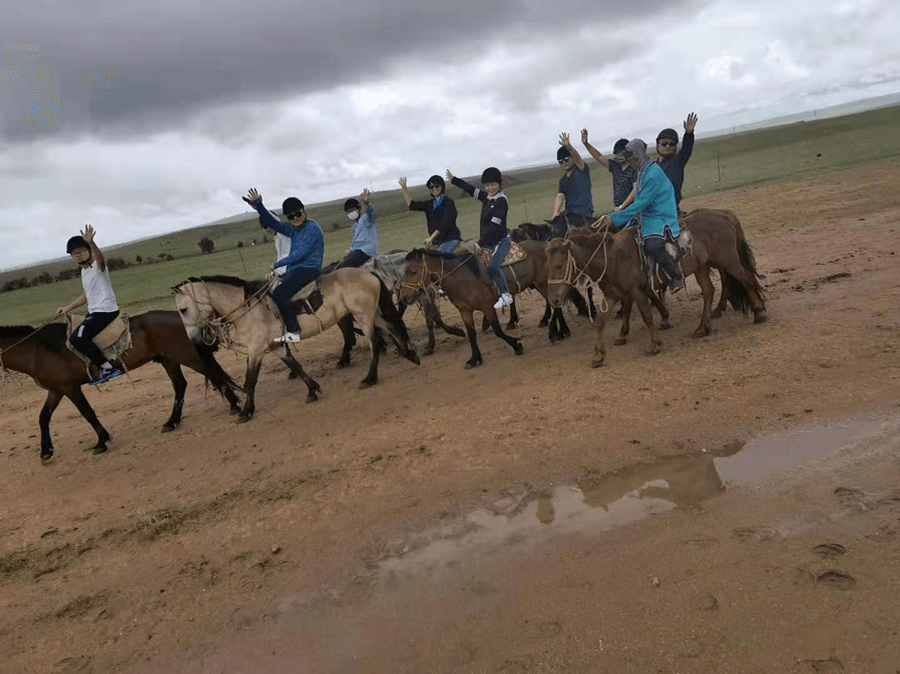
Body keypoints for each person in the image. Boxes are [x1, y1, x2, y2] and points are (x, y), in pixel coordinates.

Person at [599, 139, 685, 294]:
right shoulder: (643, 171)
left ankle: (675, 276)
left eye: (629, 158)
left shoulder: (652, 174)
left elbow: (640, 204)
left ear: (637, 155)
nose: (628, 162)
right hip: (647, 213)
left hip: (660, 215)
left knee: (653, 244)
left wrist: (614, 218)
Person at [243, 188, 324, 342]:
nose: (295, 218)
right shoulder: (291, 228)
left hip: (309, 268)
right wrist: (259, 205)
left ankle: (294, 331)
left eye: (298, 214)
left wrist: (278, 264)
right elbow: (272, 222)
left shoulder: (312, 228)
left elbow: (300, 253)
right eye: (291, 216)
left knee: (279, 294)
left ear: (303, 210)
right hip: (295, 270)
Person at [55, 225, 125, 385]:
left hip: (106, 311)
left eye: (80, 251)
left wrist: (92, 243)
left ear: (88, 251)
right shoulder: (84, 272)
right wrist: (67, 308)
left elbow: (101, 260)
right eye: (74, 253)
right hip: (94, 313)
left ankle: (108, 368)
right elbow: (87, 295)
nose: (77, 255)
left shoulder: (97, 267)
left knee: (77, 339)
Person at [446, 166, 513, 309]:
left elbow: (494, 226)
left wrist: (480, 242)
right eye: (487, 185)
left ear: (499, 184)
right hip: (489, 241)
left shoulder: (502, 201)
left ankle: (506, 295)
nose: (490, 188)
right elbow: (470, 189)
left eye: (493, 184)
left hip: (501, 241)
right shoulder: (486, 198)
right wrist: (453, 180)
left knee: (494, 267)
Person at [399, 174, 462, 253]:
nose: (434, 189)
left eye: (436, 186)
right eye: (431, 187)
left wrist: (431, 238)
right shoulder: (429, 204)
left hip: (450, 239)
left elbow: (445, 223)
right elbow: (412, 205)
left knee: (439, 260)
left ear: (442, 186)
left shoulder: (449, 203)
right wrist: (404, 187)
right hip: (437, 242)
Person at [581, 131, 637, 211]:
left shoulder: (634, 168)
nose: (619, 155)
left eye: (621, 152)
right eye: (617, 153)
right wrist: (586, 144)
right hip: (617, 208)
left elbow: (635, 190)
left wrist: (622, 206)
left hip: (631, 209)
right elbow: (599, 157)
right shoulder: (615, 166)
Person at [552, 132, 593, 237]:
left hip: (584, 213)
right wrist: (556, 213)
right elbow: (560, 196)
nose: (564, 163)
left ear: (572, 159)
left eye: (566, 159)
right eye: (560, 162)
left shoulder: (581, 170)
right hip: (569, 214)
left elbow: (577, 158)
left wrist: (569, 147)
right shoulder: (563, 180)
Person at [656, 112, 698, 211]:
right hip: (653, 209)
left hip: (670, 209)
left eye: (671, 143)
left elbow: (686, 148)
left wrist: (689, 134)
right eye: (664, 143)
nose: (667, 146)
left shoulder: (678, 161)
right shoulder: (653, 166)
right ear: (658, 145)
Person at [336, 189, 377, 268]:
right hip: (357, 252)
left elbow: (371, 212)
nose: (351, 213)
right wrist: (350, 251)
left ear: (360, 209)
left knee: (344, 268)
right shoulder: (354, 226)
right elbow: (355, 243)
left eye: (352, 210)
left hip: (366, 252)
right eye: (348, 212)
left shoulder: (366, 219)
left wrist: (367, 203)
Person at [261, 212, 291, 278]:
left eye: (269, 225)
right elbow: (280, 257)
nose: (267, 229)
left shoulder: (283, 233)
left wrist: (258, 206)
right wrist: (273, 273)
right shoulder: (277, 237)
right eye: (265, 227)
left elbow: (288, 255)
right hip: (285, 270)